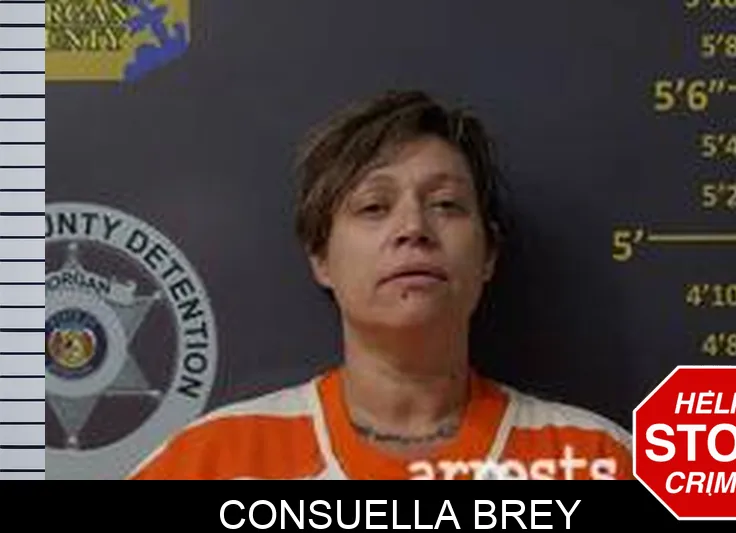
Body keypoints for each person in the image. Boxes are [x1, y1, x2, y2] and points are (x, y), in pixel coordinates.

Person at [127, 89, 633, 480]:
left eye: (446, 204)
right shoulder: (210, 461)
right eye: (374, 206)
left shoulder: (598, 459)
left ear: (488, 255)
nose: (413, 228)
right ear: (321, 258)